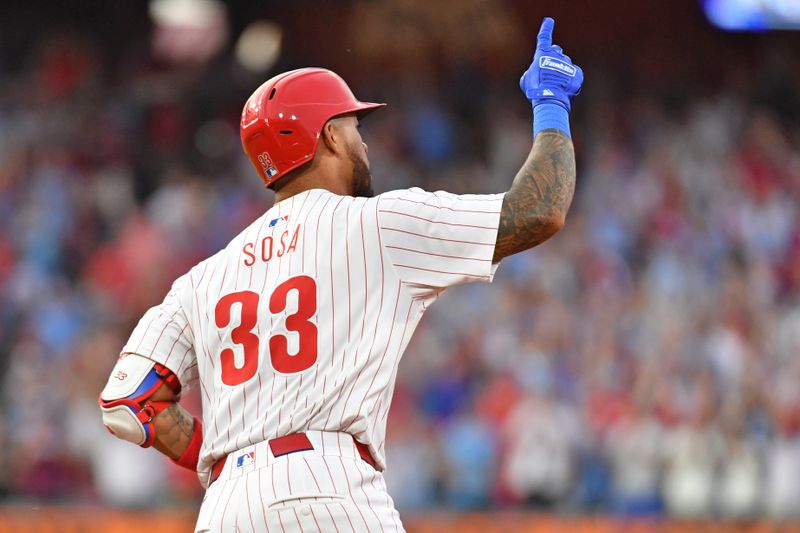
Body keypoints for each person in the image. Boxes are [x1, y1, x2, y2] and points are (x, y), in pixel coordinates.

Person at [98, 17, 583, 532]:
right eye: (355, 126)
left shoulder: (202, 277)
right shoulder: (376, 224)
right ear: (329, 136)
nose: (364, 143)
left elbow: (128, 403)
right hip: (328, 487)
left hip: (225, 507)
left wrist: (219, 463)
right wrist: (551, 105)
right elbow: (538, 211)